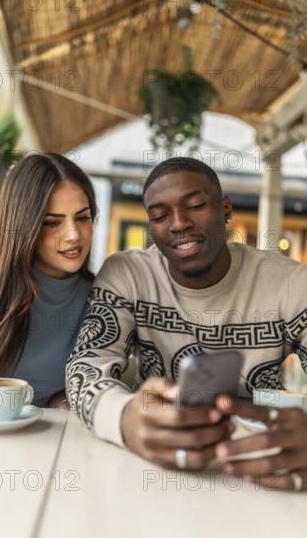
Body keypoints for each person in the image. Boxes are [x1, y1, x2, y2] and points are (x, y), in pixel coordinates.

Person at [66, 156, 307, 492]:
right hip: (149, 468)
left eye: (194, 206)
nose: (178, 224)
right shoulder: (128, 273)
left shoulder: (292, 283)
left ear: (226, 209)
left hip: (260, 469)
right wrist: (122, 418)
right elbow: (87, 365)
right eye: (160, 216)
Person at [0, 152, 97, 407]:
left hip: (41, 443)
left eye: (82, 217)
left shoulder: (96, 296)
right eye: (52, 223)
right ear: (24, 225)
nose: (73, 235)